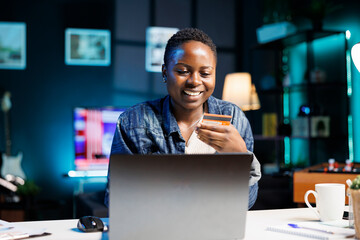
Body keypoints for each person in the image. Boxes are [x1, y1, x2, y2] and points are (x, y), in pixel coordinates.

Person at [105, 28, 261, 209]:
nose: (195, 81)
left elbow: (245, 204)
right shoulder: (133, 122)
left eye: (205, 73)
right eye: (183, 71)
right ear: (165, 73)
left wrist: (240, 157)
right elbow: (115, 200)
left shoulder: (233, 118)